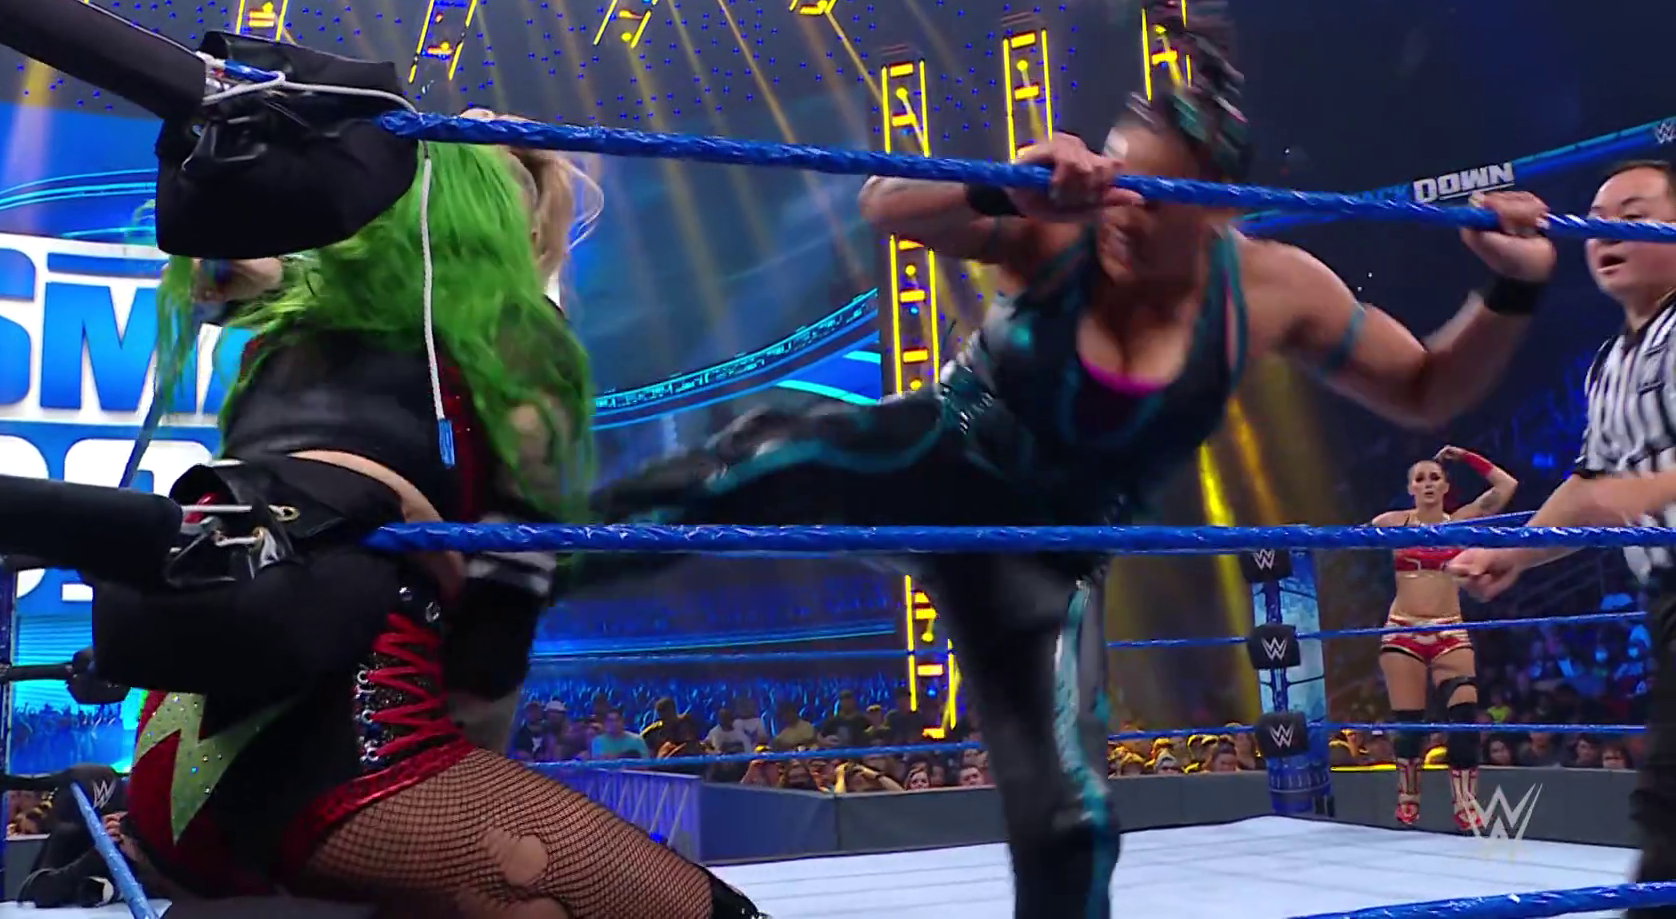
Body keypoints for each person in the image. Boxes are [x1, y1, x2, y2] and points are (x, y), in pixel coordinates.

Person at [595, 45, 1555, 917]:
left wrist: (1512, 290)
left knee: (1072, 823)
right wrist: (1014, 184)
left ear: (1219, 212)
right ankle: (533, 560)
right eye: (1121, 178)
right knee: (758, 456)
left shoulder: (1273, 290)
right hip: (941, 454)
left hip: (1047, 555)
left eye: (1156, 196)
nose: (1125, 207)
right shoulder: (1063, 223)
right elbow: (885, 202)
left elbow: (1426, 387)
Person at [0, 102, 769, 917]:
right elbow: (491, 651)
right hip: (352, 772)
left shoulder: (283, 332)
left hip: (171, 772)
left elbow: (222, 262)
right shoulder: (518, 352)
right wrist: (468, 786)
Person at [1447, 160, 1676, 919]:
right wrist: (1513, 553)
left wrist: (1631, 495)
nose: (1606, 233)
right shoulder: (1608, 366)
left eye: (1633, 216)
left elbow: (1612, 493)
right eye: (1598, 220)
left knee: (1667, 805)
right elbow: (1587, 488)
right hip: (1664, 597)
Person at [1371, 447, 1518, 830]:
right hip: (1403, 629)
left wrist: (1465, 455)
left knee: (1464, 719)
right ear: (1410, 488)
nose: (1427, 484)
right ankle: (1408, 798)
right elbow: (1353, 538)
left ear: (1445, 486)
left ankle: (1466, 803)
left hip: (1450, 629)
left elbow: (1506, 486)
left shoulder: (1461, 521)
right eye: (1420, 478)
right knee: (1409, 724)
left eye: (1434, 477)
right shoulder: (1392, 523)